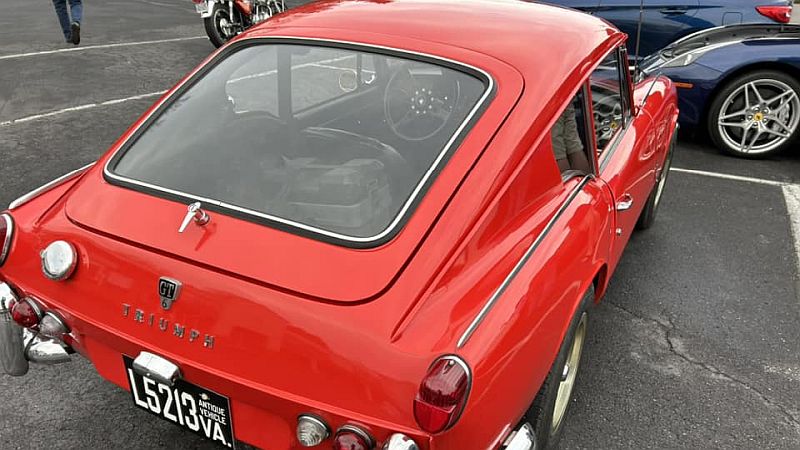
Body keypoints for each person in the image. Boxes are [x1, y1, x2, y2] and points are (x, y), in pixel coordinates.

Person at [552, 102, 591, 173]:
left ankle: (565, 183)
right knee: (572, 142)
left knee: (556, 150)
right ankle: (583, 182)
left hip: (543, 98)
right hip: (561, 93)